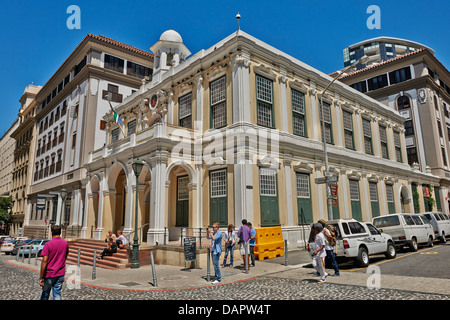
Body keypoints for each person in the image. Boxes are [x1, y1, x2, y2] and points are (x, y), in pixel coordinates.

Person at [39, 225, 69, 300]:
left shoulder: (48, 244)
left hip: (49, 273)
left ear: (51, 233)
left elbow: (44, 260)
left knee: (45, 294)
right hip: (60, 273)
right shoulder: (65, 244)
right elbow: (65, 257)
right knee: (57, 294)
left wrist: (41, 276)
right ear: (60, 233)